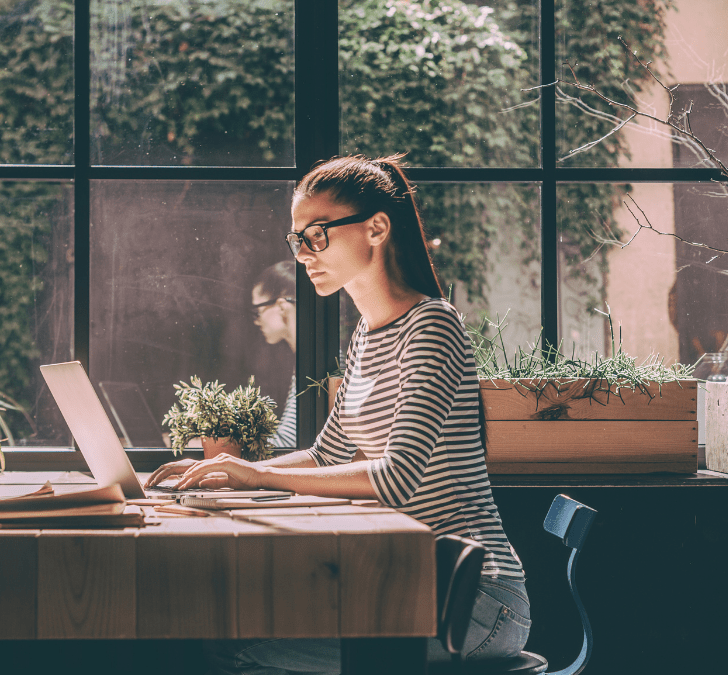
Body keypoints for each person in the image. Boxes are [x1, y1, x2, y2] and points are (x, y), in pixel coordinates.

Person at [146, 154, 529, 674]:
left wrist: (257, 476)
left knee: (236, 651)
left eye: (318, 234)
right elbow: (327, 454)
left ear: (376, 229)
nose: (304, 253)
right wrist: (226, 474)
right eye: (297, 239)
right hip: (406, 581)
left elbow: (395, 480)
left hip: (474, 600)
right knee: (220, 627)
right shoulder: (366, 336)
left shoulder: (433, 326)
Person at [251, 261, 297, 447]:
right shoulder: (307, 360)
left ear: (281, 306)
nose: (256, 321)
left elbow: (290, 443)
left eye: (257, 311)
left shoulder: (315, 363)